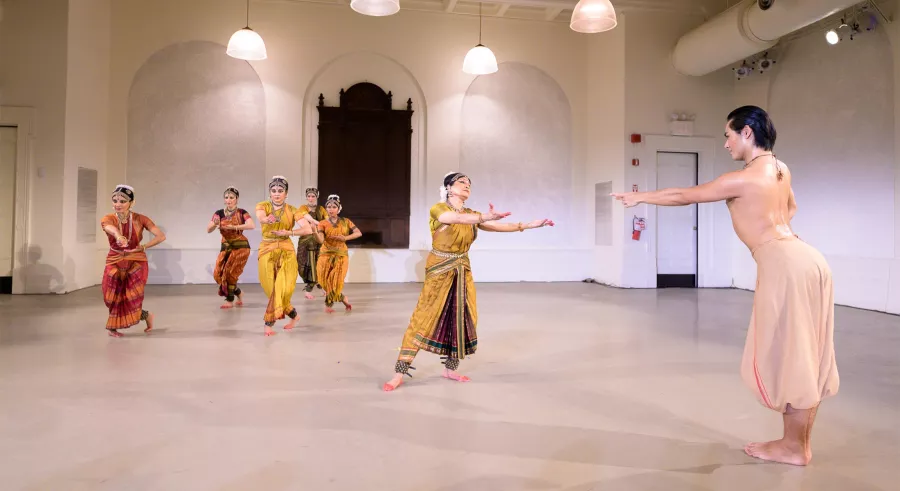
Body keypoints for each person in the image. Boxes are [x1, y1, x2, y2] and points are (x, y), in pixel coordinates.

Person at [611, 105, 838, 466]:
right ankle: (797, 444)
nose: (726, 143)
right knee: (806, 354)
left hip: (784, 264)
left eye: (728, 135)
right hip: (808, 258)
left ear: (747, 132)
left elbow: (684, 195)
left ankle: (794, 448)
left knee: (789, 355)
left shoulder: (742, 178)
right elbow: (790, 209)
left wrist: (639, 197)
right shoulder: (781, 170)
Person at [383, 172, 554, 391]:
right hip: (439, 269)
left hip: (462, 269)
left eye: (469, 184)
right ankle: (399, 372)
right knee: (424, 317)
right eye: (461, 182)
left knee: (462, 317)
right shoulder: (439, 209)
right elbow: (455, 219)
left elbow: (497, 227)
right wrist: (484, 217)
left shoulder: (473, 214)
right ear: (448, 187)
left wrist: (530, 225)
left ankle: (450, 368)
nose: (467, 186)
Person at [100, 185, 167, 337]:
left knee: (131, 296)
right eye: (115, 200)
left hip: (136, 260)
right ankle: (145, 315)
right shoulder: (108, 218)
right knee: (110, 295)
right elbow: (109, 227)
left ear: (132, 203)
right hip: (115, 258)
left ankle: (113, 328)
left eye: (122, 201)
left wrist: (143, 247)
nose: (118, 204)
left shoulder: (140, 219)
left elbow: (161, 236)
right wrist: (118, 236)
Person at [255, 176, 313, 336]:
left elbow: (308, 229)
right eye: (273, 191)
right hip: (266, 248)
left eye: (280, 191)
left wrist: (290, 232)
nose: (277, 194)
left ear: (286, 193)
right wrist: (266, 220)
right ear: (270, 193)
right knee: (270, 288)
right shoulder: (263, 206)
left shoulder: (293, 210)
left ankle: (268, 323)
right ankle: (294, 315)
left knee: (284, 288)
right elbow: (260, 217)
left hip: (286, 249)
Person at [207, 186, 255, 309]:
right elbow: (208, 229)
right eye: (226, 197)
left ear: (237, 199)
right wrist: (215, 224)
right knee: (218, 274)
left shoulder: (242, 212)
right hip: (226, 246)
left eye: (231, 197)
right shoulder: (219, 213)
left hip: (241, 247)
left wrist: (234, 227)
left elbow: (251, 225)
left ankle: (230, 299)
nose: (229, 200)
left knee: (231, 273)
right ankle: (238, 292)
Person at [314, 194, 361, 313]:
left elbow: (358, 233)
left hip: (341, 255)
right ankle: (343, 298)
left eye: (334, 207)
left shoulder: (346, 222)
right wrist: (314, 232)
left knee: (335, 282)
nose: (331, 209)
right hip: (325, 254)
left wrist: (345, 238)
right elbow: (320, 240)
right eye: (328, 207)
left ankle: (329, 305)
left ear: (339, 208)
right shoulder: (322, 223)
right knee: (323, 281)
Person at [296, 187, 327, 300]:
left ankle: (316, 286)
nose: (310, 198)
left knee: (318, 264)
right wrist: (319, 223)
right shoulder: (303, 208)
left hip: (318, 239)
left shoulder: (322, 209)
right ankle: (312, 287)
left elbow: (326, 221)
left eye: (313, 196)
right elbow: (306, 217)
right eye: (308, 196)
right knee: (307, 265)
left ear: (317, 197)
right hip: (306, 240)